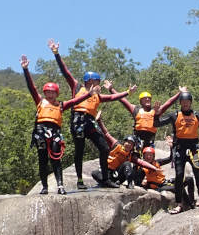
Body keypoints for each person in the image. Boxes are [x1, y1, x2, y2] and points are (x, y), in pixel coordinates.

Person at [48, 39, 136, 189]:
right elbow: (65, 71)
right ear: (90, 80)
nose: (99, 83)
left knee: (104, 148)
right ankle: (80, 180)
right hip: (78, 120)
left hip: (90, 121)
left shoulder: (98, 96)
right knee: (79, 150)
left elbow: (113, 97)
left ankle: (106, 179)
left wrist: (127, 92)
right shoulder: (77, 87)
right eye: (97, 80)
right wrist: (56, 53)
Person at [20, 54, 95, 195]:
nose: (50, 95)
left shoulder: (61, 105)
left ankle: (60, 186)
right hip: (41, 131)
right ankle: (44, 187)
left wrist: (87, 95)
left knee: (56, 159)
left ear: (56, 93)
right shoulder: (40, 101)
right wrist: (25, 70)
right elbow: (32, 87)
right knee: (42, 160)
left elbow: (74, 102)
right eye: (48, 92)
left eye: (52, 92)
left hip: (54, 132)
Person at [156, 90, 199, 214]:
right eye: (183, 102)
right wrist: (156, 114)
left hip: (193, 148)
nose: (185, 104)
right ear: (180, 103)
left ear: (190, 103)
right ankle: (179, 204)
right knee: (179, 175)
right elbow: (157, 123)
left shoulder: (197, 115)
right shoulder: (174, 115)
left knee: (198, 173)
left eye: (187, 102)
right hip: (180, 148)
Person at [89, 120, 157, 188]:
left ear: (133, 147)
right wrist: (99, 121)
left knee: (127, 163)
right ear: (124, 142)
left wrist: (154, 168)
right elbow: (106, 134)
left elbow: (142, 163)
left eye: (131, 144)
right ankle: (108, 183)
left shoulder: (131, 156)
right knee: (94, 173)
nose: (129, 145)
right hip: (106, 172)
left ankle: (129, 184)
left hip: (117, 175)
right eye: (127, 142)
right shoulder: (116, 145)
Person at [112, 87, 181, 148]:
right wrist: (111, 89)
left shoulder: (156, 110)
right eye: (145, 98)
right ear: (141, 101)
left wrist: (179, 93)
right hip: (137, 139)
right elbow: (122, 100)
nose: (148, 99)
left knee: (148, 156)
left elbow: (169, 102)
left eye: (149, 98)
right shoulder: (135, 109)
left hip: (149, 139)